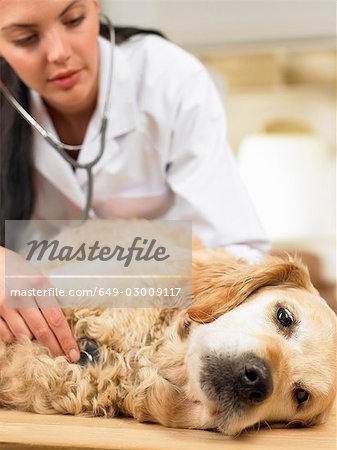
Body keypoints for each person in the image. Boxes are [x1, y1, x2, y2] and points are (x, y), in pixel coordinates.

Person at [0, 0, 269, 362]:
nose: (59, 53)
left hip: (165, 336)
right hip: (40, 344)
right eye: (26, 39)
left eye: (74, 20)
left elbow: (239, 256)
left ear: (96, 5)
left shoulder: (170, 80)